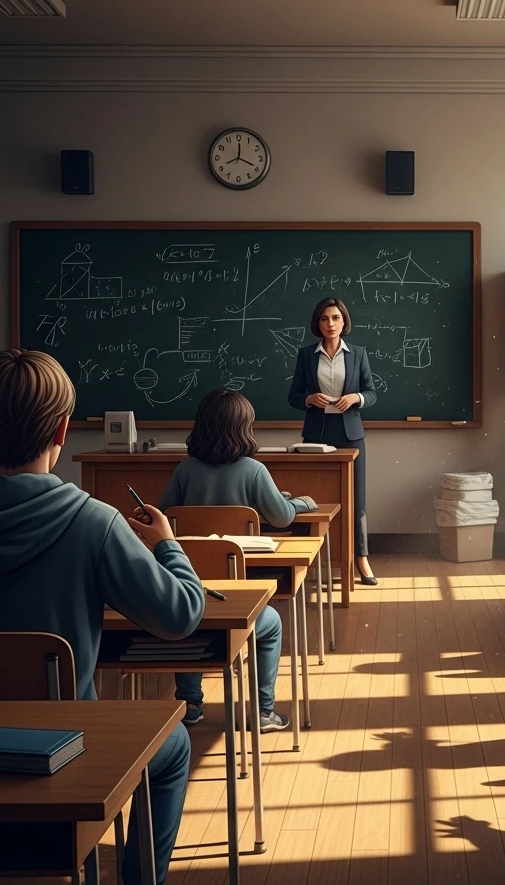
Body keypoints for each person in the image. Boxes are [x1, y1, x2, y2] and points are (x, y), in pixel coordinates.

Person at [0, 349, 202, 885]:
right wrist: (168, 543)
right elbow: (180, 616)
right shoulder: (94, 522)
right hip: (66, 762)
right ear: (64, 432)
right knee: (170, 743)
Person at [160, 388, 316, 730]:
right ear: (243, 428)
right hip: (237, 595)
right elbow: (281, 517)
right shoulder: (254, 470)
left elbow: (164, 516)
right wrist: (302, 503)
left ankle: (190, 706)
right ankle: (263, 712)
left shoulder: (185, 471)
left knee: (191, 624)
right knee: (270, 622)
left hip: (192, 591)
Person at [288, 296, 378, 584]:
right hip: (317, 434)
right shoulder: (306, 355)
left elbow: (372, 392)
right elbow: (293, 396)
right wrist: (308, 399)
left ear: (344, 321)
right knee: (315, 498)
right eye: (325, 318)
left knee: (357, 500)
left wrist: (357, 397)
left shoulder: (358, 353)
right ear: (318, 323)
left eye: (336, 318)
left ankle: (361, 560)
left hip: (351, 434)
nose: (330, 323)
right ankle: (312, 560)